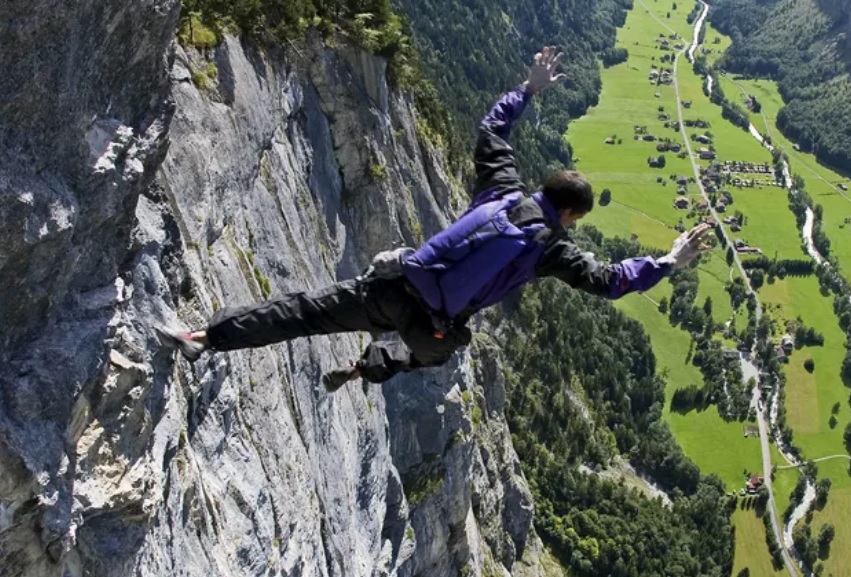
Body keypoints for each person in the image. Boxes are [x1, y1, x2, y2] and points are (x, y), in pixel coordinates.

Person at [157, 46, 715, 391]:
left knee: (304, 313)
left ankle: (205, 336)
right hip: (434, 328)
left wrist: (529, 88)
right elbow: (612, 282)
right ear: (569, 214)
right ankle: (364, 371)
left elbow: (491, 131)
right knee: (437, 351)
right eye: (573, 220)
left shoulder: (501, 189)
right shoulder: (551, 247)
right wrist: (669, 260)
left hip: (393, 284)